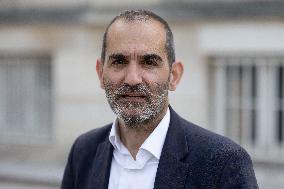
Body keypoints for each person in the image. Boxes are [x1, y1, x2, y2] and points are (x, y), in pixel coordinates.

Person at [61, 10, 258, 189]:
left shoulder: (223, 163)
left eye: (149, 62)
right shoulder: (83, 151)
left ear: (174, 76)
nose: (132, 78)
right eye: (119, 61)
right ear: (100, 73)